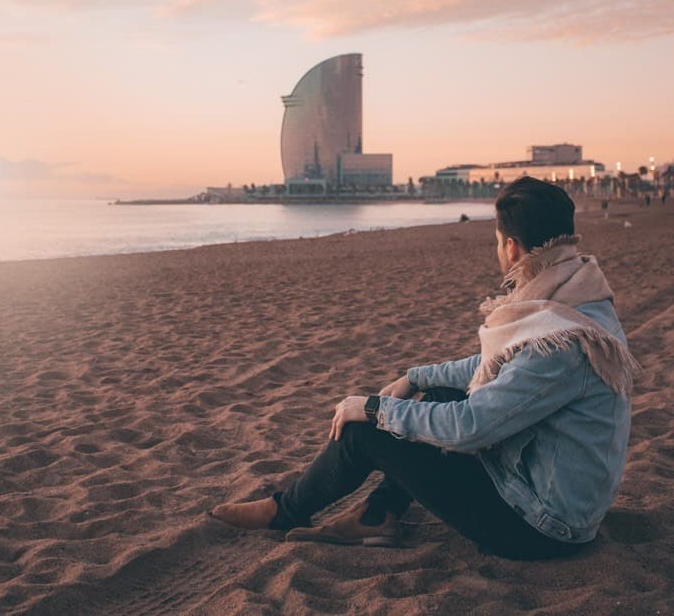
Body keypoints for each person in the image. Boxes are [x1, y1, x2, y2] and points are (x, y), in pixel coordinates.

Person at [212, 177, 638, 559]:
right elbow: (498, 367)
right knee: (437, 396)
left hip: (540, 527)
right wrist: (416, 377)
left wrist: (374, 409)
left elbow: (471, 426)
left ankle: (283, 512)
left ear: (511, 247)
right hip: (552, 497)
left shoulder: (557, 340)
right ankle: (378, 515)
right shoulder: (579, 301)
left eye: (496, 241)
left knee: (365, 430)